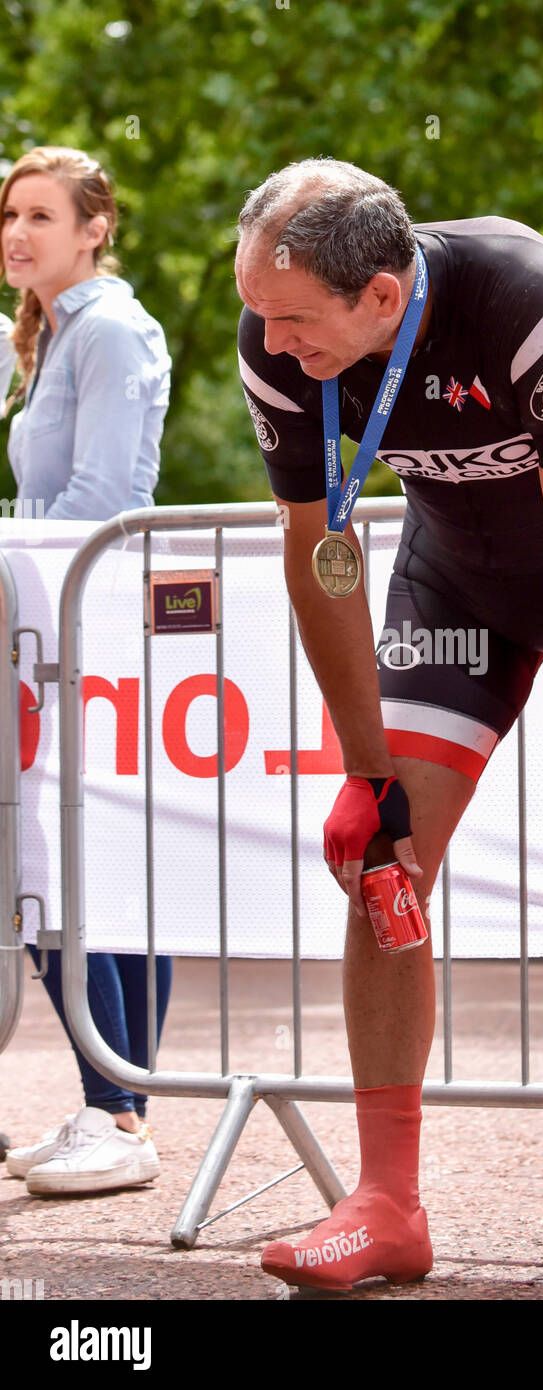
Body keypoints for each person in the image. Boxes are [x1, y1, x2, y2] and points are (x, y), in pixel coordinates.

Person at [235, 157, 543, 1299]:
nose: (273, 343)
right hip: (456, 581)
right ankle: (387, 1204)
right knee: (383, 862)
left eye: (295, 322)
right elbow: (317, 554)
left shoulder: (533, 304)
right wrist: (363, 771)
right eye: (262, 315)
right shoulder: (280, 340)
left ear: (381, 299)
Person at [1, 147, 172, 1194]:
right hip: (49, 623)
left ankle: (115, 1110)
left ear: (95, 225)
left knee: (51, 868)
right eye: (10, 216)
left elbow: (103, 493)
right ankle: (119, 1104)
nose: (17, 234)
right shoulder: (57, 332)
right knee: (77, 863)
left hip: (78, 624)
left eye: (42, 215)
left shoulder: (109, 328)